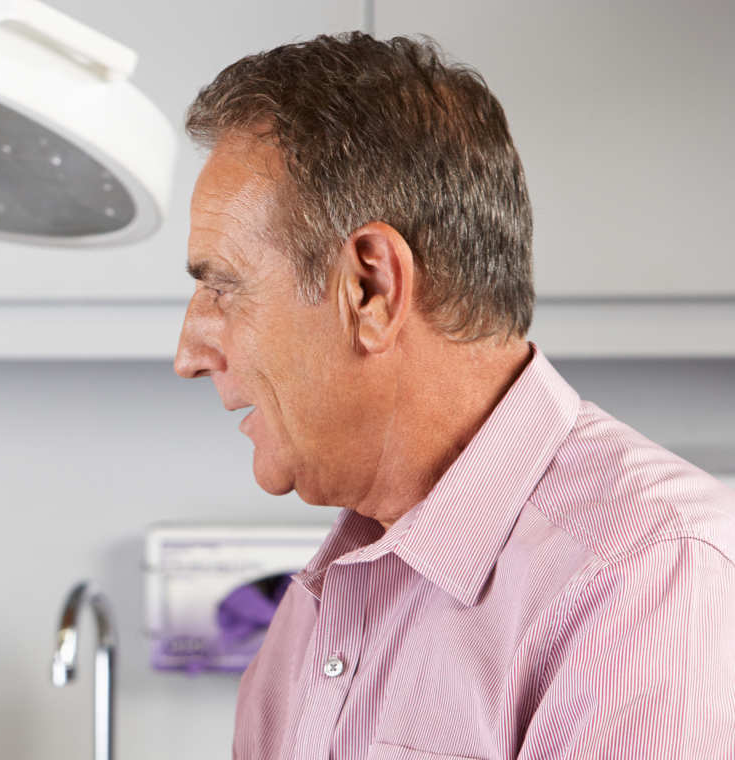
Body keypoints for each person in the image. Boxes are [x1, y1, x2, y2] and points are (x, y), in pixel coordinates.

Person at [173, 32, 735, 757]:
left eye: (224, 287)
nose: (189, 353)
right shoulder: (314, 620)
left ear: (371, 288)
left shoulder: (652, 581)